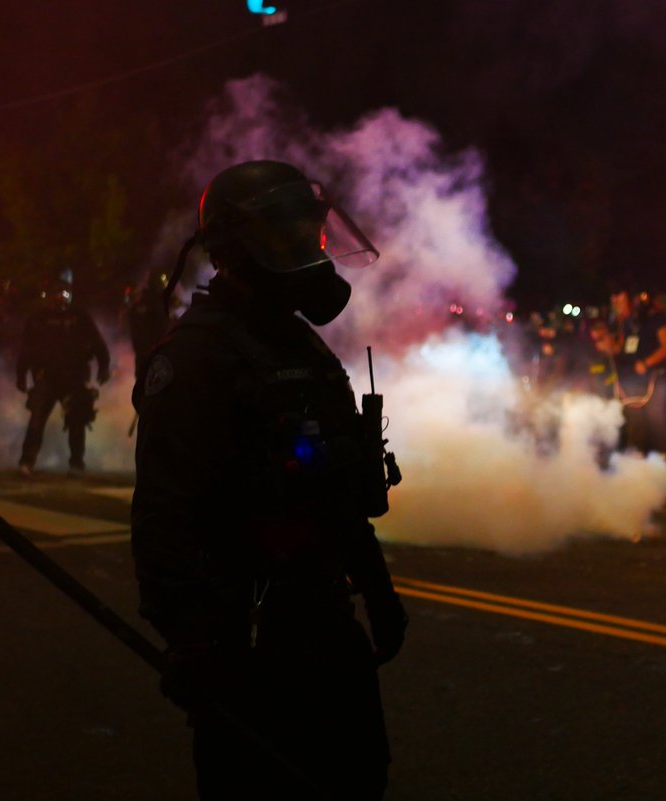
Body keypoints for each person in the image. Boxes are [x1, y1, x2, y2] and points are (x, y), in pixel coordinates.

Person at [130, 160, 408, 800]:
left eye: (313, 232)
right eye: (290, 235)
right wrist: (196, 642)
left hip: (323, 622)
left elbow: (338, 493)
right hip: (245, 639)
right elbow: (164, 518)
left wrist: (377, 589)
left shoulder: (300, 346)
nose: (311, 250)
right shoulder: (196, 358)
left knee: (358, 777)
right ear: (237, 248)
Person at [15, 278, 110, 477]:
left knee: (77, 420)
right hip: (47, 377)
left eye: (64, 292)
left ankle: (76, 463)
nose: (60, 297)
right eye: (56, 293)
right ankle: (27, 462)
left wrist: (104, 367)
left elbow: (98, 344)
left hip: (74, 377)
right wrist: (21, 375)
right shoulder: (38, 318)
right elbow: (26, 349)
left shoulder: (79, 317)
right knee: (37, 419)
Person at [609, 289, 666, 455]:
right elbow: (621, 346)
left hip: (655, 374)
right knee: (635, 414)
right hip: (632, 376)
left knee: (654, 413)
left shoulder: (659, 319)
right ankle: (639, 451)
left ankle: (662, 452)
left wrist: (647, 363)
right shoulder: (626, 322)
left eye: (621, 301)